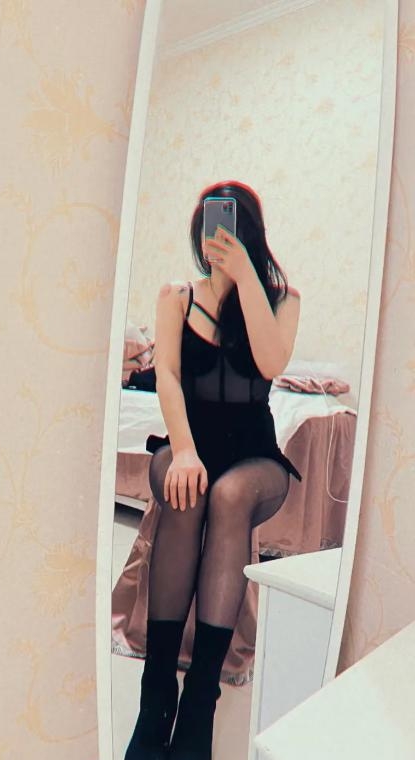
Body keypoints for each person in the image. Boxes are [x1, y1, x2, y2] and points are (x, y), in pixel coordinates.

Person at [124, 181, 302, 760]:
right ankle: (157, 694)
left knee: (227, 495)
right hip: (186, 445)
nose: (218, 235)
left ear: (251, 233)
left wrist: (246, 277)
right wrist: (183, 449)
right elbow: (168, 377)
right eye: (209, 223)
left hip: (254, 457)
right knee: (191, 493)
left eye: (230, 224)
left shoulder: (283, 300)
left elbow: (270, 363)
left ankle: (200, 700)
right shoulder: (176, 296)